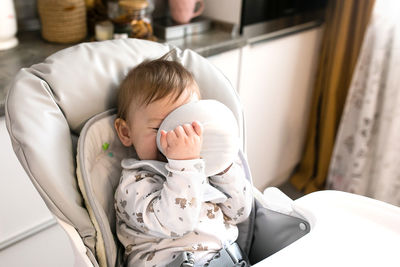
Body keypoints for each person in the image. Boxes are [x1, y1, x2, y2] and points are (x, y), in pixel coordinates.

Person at [114, 51, 253, 266]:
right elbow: (176, 223)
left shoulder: (203, 165)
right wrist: (184, 165)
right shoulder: (134, 183)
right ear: (126, 132)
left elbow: (240, 213)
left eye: (186, 125)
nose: (178, 139)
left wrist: (222, 166)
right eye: (160, 128)